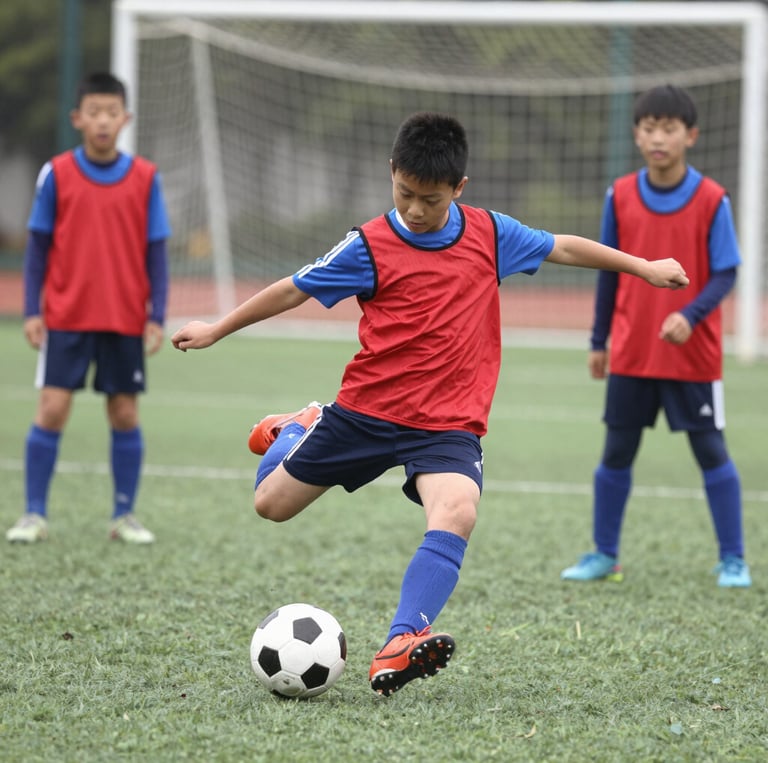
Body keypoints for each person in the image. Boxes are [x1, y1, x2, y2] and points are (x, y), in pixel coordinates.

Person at [172, 111, 688, 695]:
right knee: (270, 505)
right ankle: (301, 426)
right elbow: (294, 287)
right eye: (406, 194)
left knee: (458, 511)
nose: (416, 210)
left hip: (445, 425)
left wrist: (642, 267)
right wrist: (218, 327)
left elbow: (563, 247)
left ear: (459, 190)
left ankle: (400, 641)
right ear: (392, 173)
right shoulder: (369, 245)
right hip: (365, 413)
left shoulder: (491, 234)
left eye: (432, 200)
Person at [560, 85, 750, 588]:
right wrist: (598, 341)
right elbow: (605, 271)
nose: (657, 137)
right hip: (631, 352)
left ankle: (733, 558)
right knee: (616, 453)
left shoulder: (712, 199)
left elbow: (726, 272)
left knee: (711, 452)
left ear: (691, 136)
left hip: (693, 358)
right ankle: (604, 553)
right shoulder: (619, 194)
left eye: (669, 129)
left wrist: (691, 314)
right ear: (636, 134)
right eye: (649, 128)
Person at [6, 72, 171, 545]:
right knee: (52, 409)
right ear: (77, 118)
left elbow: (156, 251)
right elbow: (37, 247)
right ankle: (34, 514)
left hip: (122, 319)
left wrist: (156, 315)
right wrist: (33, 309)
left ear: (125, 119)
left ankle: (124, 516)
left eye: (111, 112)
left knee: (124, 414)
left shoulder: (144, 177)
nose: (102, 121)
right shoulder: (56, 173)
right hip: (66, 316)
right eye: (93, 112)